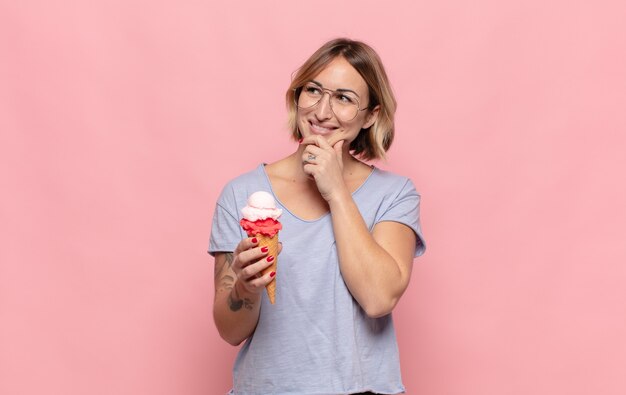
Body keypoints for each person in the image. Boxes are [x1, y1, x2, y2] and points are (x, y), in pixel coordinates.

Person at [209, 38, 426, 395]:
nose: (322, 112)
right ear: (297, 97)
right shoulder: (242, 193)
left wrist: (336, 190)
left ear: (371, 115)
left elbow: (378, 299)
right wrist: (245, 287)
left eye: (343, 98)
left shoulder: (395, 194)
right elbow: (230, 331)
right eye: (313, 90)